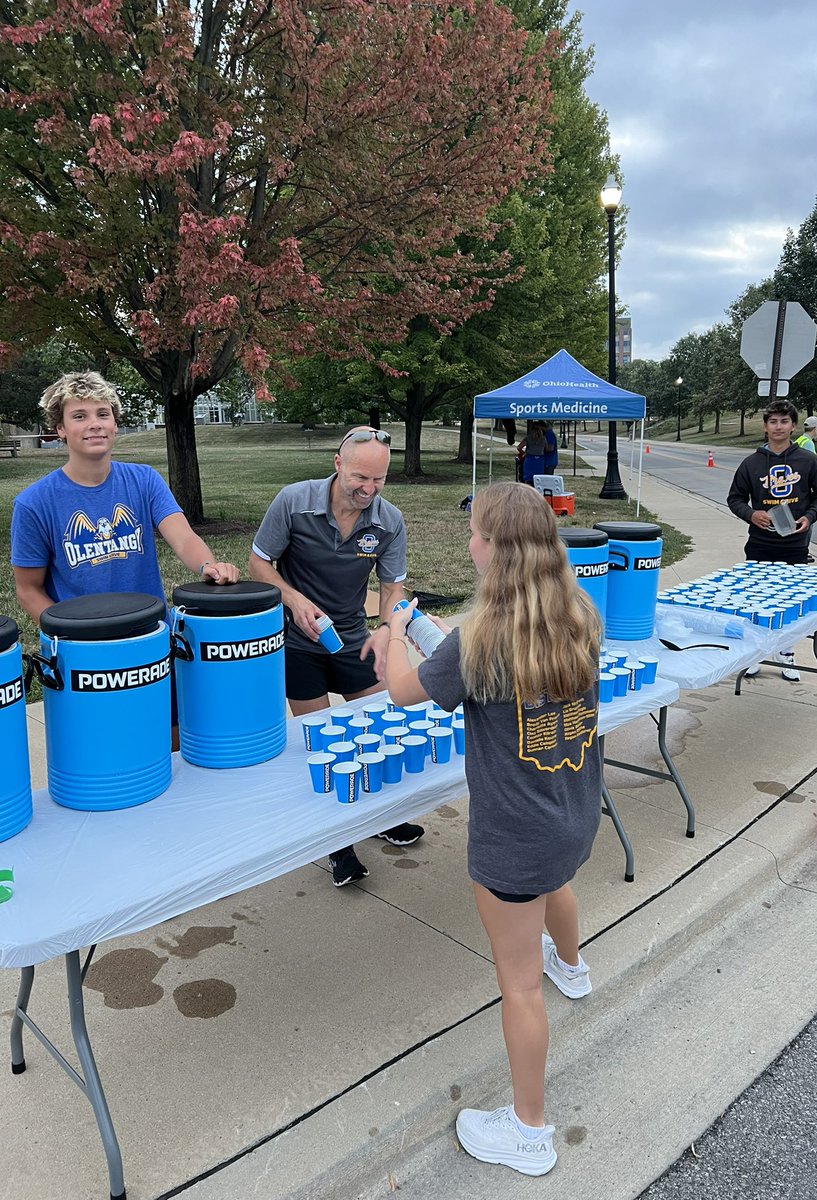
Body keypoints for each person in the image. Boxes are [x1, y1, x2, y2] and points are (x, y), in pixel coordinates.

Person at [385, 482, 602, 1177]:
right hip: (571, 814)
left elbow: (405, 690)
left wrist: (393, 634)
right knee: (556, 886)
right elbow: (468, 668)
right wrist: (430, 636)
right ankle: (573, 967)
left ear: (495, 550)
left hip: (513, 837)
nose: (470, 542)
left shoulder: (480, 638)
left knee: (520, 986)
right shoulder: (578, 614)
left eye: (475, 533)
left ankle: (529, 1132)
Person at [248, 426, 425, 886]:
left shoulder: (389, 520)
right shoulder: (293, 501)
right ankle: (338, 845)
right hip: (297, 642)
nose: (369, 489)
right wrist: (292, 599)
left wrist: (386, 629)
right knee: (326, 744)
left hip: (353, 637)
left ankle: (381, 818)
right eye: (360, 478)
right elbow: (258, 563)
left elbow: (392, 588)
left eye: (379, 480)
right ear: (337, 464)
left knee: (382, 726)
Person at [11, 371, 238, 622]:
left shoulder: (144, 480)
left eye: (103, 414)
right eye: (79, 416)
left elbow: (184, 539)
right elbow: (28, 590)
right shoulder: (33, 503)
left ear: (115, 424)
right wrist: (69, 632)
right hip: (82, 638)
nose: (95, 424)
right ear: (60, 429)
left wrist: (208, 566)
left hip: (149, 633)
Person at [726, 400, 817, 681]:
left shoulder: (808, 460)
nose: (778, 427)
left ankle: (785, 651)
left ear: (793, 426)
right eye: (773, 421)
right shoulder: (751, 464)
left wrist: (809, 516)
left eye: (784, 421)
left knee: (790, 602)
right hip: (760, 543)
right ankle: (756, 653)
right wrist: (751, 514)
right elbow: (735, 498)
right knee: (756, 600)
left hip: (795, 545)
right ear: (765, 426)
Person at [516, 420, 549, 486]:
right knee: (539, 479)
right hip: (540, 460)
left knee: (528, 478)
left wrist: (524, 453)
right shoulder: (543, 439)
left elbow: (519, 447)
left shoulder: (528, 437)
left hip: (530, 458)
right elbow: (547, 449)